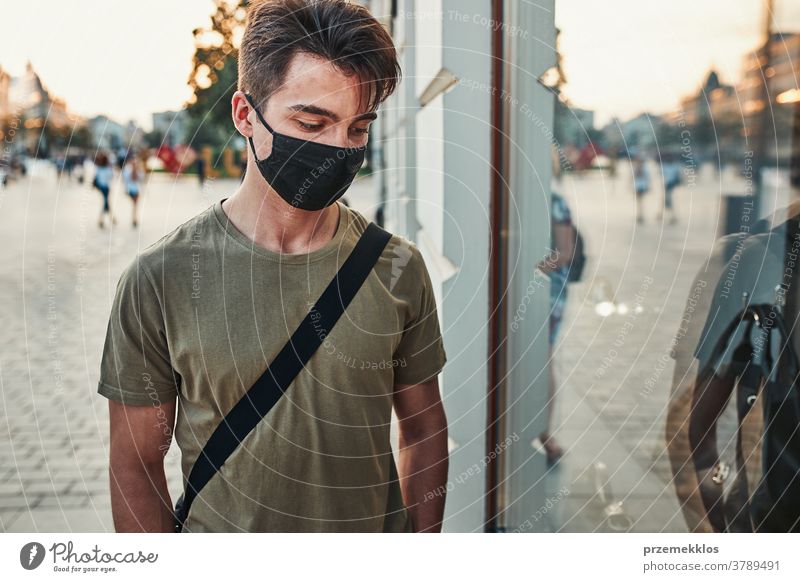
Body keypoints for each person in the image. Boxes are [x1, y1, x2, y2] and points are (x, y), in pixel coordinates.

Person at [98, 0, 448, 534]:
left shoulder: (398, 267)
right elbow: (135, 463)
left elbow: (424, 430)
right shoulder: (158, 279)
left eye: (358, 129)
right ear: (245, 115)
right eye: (312, 122)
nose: (338, 150)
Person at [93, 152, 115, 228]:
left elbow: (96, 177)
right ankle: (103, 219)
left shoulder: (98, 169)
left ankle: (110, 218)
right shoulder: (108, 169)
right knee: (105, 203)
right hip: (105, 187)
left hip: (101, 187)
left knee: (106, 202)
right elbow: (111, 177)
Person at [660, 153, 682, 224]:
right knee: (666, 200)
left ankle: (672, 216)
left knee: (669, 200)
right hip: (668, 185)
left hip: (671, 185)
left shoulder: (672, 166)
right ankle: (667, 215)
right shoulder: (667, 166)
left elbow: (677, 176)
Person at [122, 156, 142, 227]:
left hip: (133, 189)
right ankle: (134, 219)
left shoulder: (130, 170)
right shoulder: (129, 170)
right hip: (133, 190)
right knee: (135, 205)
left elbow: (125, 180)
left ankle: (134, 218)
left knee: (135, 205)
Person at [632, 154, 650, 224]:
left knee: (640, 201)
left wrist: (648, 186)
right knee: (639, 201)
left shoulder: (644, 168)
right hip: (638, 185)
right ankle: (640, 215)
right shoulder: (636, 167)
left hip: (641, 185)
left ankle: (640, 215)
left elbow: (647, 177)